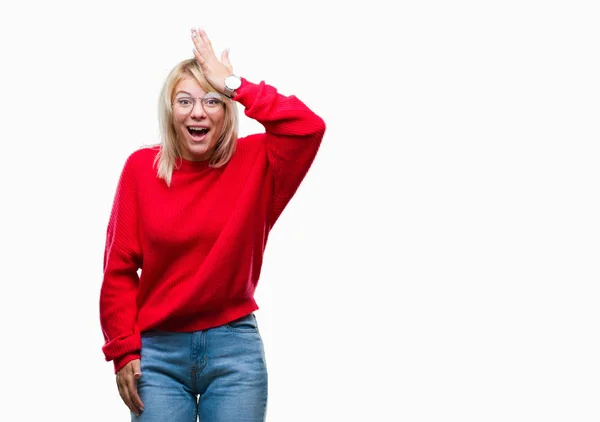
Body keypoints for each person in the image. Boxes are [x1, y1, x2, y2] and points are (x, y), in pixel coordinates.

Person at [99, 27, 326, 421]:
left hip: (234, 349)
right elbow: (118, 270)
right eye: (184, 100)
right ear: (170, 111)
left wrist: (234, 83)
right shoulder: (141, 169)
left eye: (212, 100)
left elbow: (308, 127)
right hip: (158, 353)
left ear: (226, 110)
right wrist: (123, 349)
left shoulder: (258, 162)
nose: (198, 111)